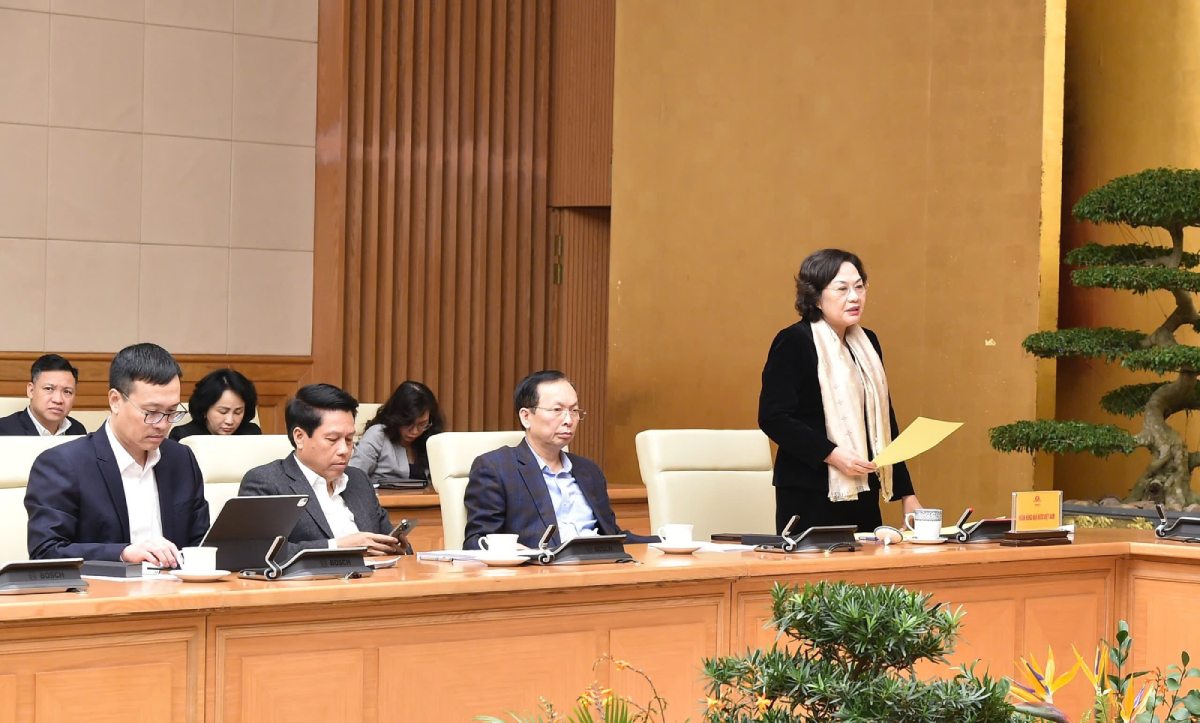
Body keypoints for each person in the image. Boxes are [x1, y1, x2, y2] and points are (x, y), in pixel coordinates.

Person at [759, 248, 922, 534]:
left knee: (866, 575)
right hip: (810, 490)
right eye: (842, 288)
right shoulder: (794, 341)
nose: (855, 297)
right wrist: (832, 454)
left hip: (864, 487)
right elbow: (774, 417)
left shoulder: (867, 342)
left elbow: (884, 421)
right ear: (815, 296)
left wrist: (906, 494)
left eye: (860, 287)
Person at [25, 343, 209, 563]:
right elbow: (46, 551)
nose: (162, 424)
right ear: (115, 401)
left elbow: (201, 542)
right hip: (100, 594)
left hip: (178, 592)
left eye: (171, 412)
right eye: (151, 412)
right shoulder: (63, 464)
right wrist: (122, 554)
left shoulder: (181, 459)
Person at [463, 370, 655, 550]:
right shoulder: (496, 468)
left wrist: (664, 541)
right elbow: (476, 541)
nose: (568, 420)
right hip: (540, 573)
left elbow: (612, 535)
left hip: (599, 568)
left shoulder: (588, 471)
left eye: (574, 411)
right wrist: (516, 552)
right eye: (557, 410)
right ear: (526, 417)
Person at [238, 383, 398, 559]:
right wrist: (336, 546)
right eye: (332, 439)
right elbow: (256, 551)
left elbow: (386, 539)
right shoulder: (267, 482)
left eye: (349, 439)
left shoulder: (358, 479)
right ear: (299, 437)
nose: (344, 450)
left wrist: (397, 545)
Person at [349, 380, 444, 485]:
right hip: (381, 500)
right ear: (396, 417)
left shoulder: (432, 439)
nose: (415, 431)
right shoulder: (378, 435)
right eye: (408, 423)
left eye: (422, 424)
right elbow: (353, 477)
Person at [0, 354, 87, 436]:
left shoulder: (78, 430)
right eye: (49, 389)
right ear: (31, 390)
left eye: (67, 392)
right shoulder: (4, 430)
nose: (58, 400)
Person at [169, 368, 262, 440]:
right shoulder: (184, 436)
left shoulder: (251, 434)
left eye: (238, 412)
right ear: (205, 409)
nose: (230, 421)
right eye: (223, 412)